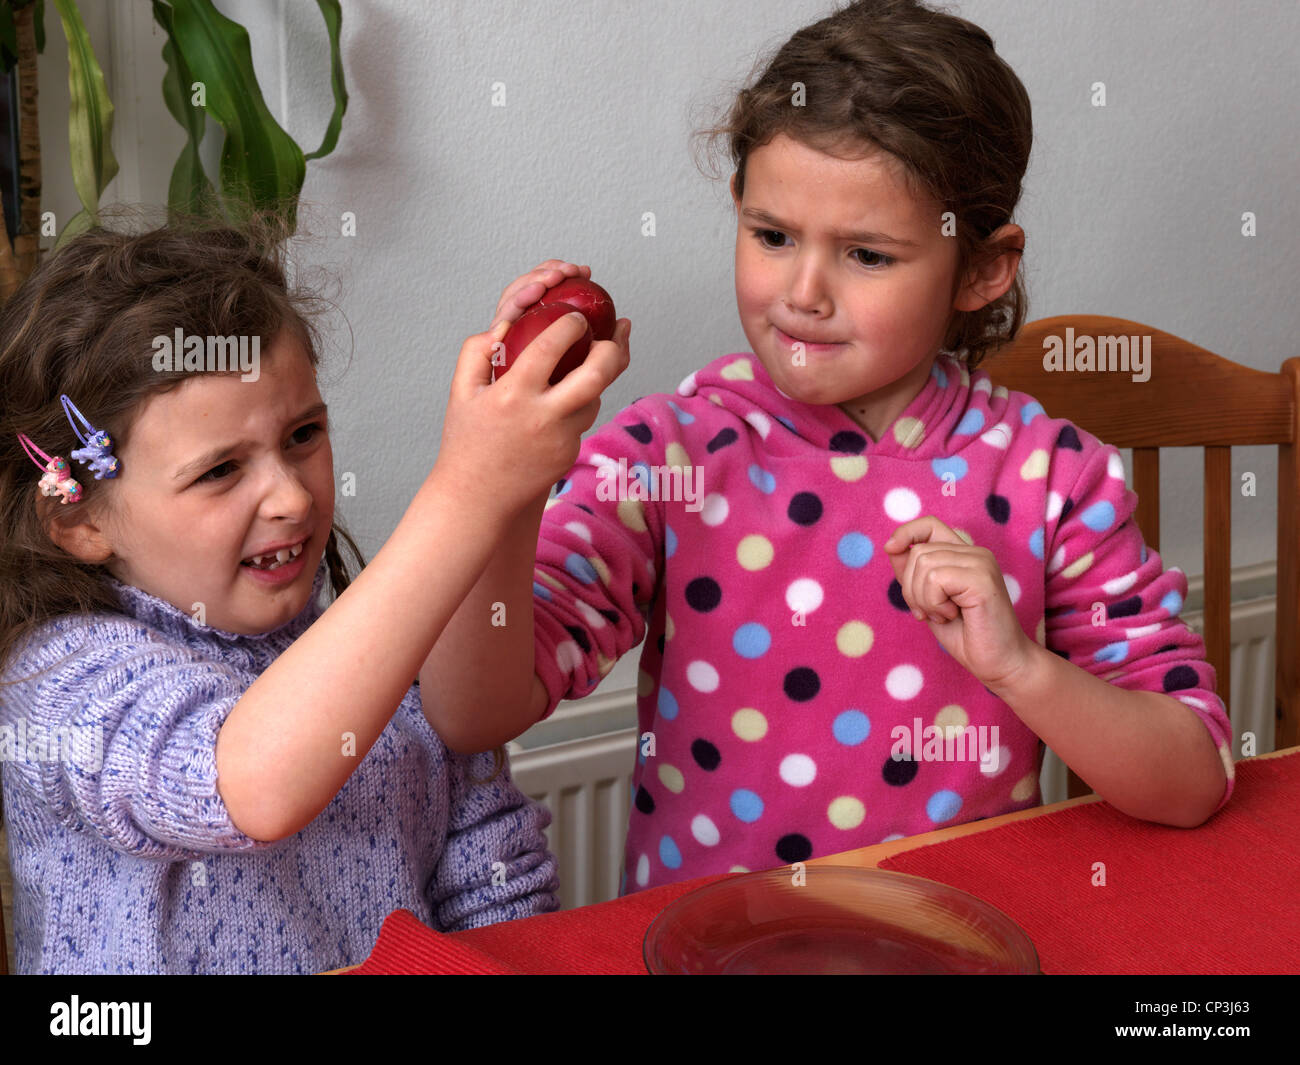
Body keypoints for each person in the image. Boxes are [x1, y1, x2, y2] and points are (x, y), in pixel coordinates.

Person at [425, 0, 1235, 894]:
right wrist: (504, 488)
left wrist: (1022, 668)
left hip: (951, 947)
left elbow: (1192, 779)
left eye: (867, 255)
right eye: (773, 236)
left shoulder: (1054, 478)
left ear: (981, 267)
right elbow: (471, 713)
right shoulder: (668, 457)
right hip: (714, 950)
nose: (803, 293)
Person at [0, 217, 628, 972]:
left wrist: (509, 481)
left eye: (302, 435)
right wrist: (468, 491)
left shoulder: (372, 654)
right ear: (80, 520)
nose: (291, 498)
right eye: (220, 470)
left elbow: (493, 885)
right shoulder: (58, 680)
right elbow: (248, 784)